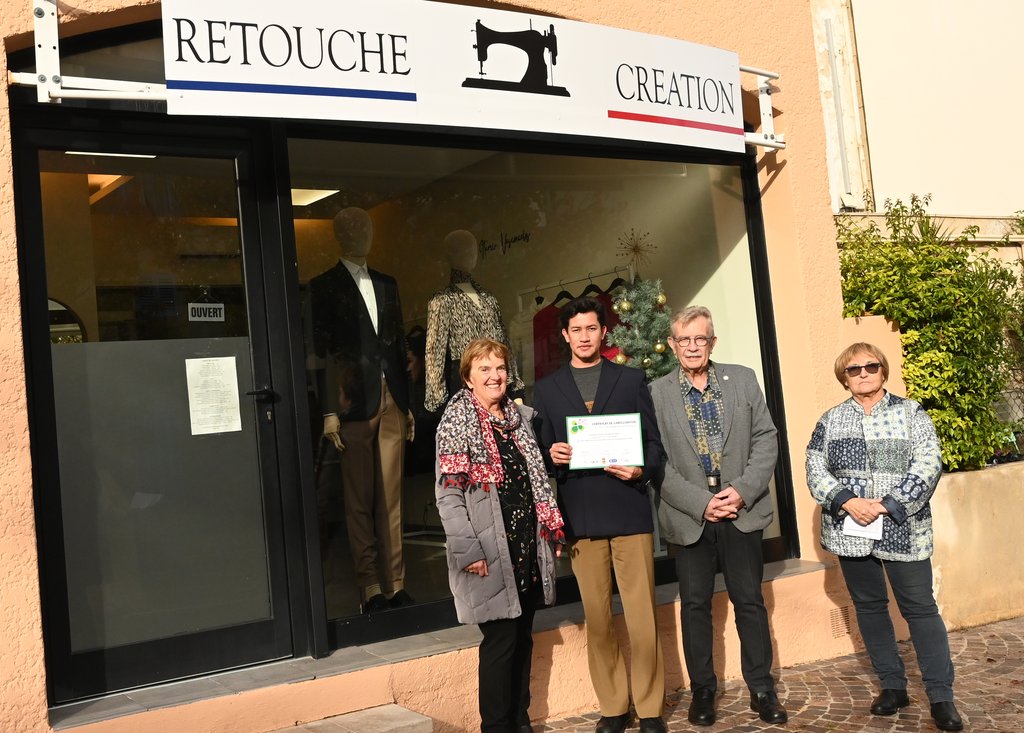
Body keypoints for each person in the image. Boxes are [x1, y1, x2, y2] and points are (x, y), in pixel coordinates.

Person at [806, 343, 962, 731]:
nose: (863, 373)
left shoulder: (912, 413)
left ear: (883, 370)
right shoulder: (830, 420)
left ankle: (941, 696)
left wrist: (888, 504)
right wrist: (847, 501)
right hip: (851, 531)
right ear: (844, 377)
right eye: (854, 369)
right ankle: (893, 687)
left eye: (871, 366)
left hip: (903, 529)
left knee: (920, 609)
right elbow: (814, 468)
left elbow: (929, 463)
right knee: (870, 608)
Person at [532, 297, 668, 733]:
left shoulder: (631, 379)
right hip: (582, 518)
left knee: (642, 618)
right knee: (598, 619)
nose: (585, 336)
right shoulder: (547, 390)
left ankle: (650, 709)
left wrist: (641, 469)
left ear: (603, 332)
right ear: (565, 335)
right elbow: (541, 454)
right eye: (577, 330)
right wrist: (551, 455)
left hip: (629, 510)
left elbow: (654, 445)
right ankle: (613, 707)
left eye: (592, 328)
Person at [649, 305, 787, 726]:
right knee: (694, 606)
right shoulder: (655, 393)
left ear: (713, 342)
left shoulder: (742, 379)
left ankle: (761, 688)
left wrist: (741, 492)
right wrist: (701, 502)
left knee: (750, 601)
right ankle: (703, 692)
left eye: (700, 338)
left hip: (740, 511)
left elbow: (766, 438)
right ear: (672, 344)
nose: (693, 346)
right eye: (684, 339)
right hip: (690, 516)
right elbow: (656, 461)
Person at [435, 338, 565, 733]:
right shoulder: (456, 421)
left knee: (523, 637)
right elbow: (448, 496)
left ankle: (519, 720)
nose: (495, 376)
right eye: (485, 369)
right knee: (500, 643)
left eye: (500, 368)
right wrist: (469, 550)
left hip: (525, 546)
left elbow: (533, 480)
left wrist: (548, 529)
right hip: (489, 552)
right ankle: (496, 726)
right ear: (468, 378)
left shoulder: (519, 419)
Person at [309, 207, 414, 613]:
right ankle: (369, 585)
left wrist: (406, 404)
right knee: (358, 498)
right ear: (339, 235)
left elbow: (397, 342)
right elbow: (320, 353)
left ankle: (396, 583)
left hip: (392, 399)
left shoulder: (387, 283)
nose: (363, 233)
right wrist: (328, 410)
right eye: (353, 227)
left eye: (367, 226)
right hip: (351, 403)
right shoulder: (324, 286)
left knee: (392, 497)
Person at [425, 229, 524, 411]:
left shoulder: (489, 298)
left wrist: (515, 388)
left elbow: (504, 343)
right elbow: (434, 353)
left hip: (497, 382)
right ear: (450, 256)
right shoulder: (442, 300)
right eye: (463, 250)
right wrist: (439, 402)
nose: (471, 255)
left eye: (473, 250)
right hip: (465, 384)